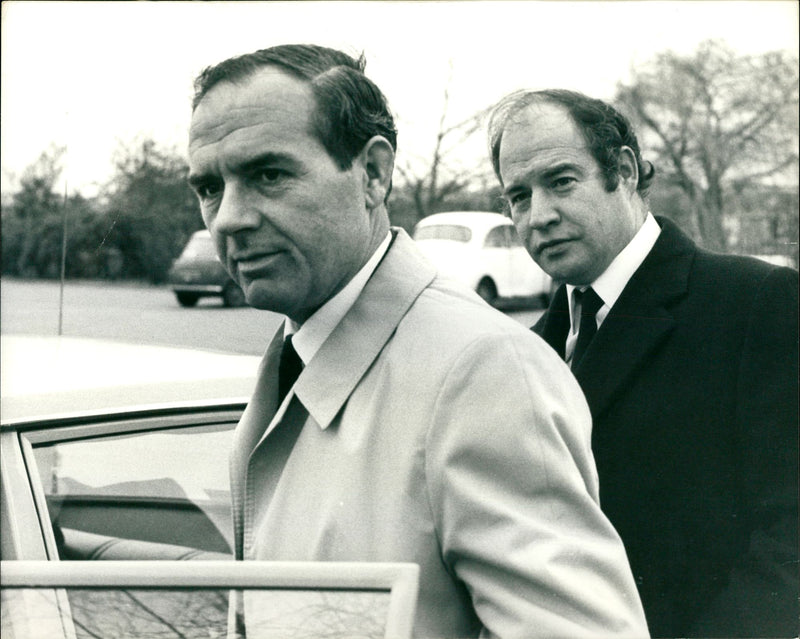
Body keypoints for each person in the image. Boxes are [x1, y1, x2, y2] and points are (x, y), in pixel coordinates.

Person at [187, 45, 648, 637]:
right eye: (208, 188)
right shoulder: (297, 349)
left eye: (269, 174)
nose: (228, 217)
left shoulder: (482, 368)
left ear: (374, 175)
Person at [488, 88, 799, 638]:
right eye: (518, 195)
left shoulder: (757, 304)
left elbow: (790, 548)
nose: (539, 216)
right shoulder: (527, 347)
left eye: (561, 181)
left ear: (625, 171)